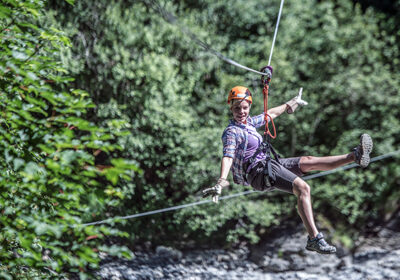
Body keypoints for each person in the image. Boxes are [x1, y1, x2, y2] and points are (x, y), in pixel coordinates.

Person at [202, 85, 373, 254]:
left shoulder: (249, 124)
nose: (241, 111)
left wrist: (291, 103)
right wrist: (222, 179)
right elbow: (228, 155)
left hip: (268, 165)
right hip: (259, 172)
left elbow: (271, 114)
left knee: (308, 161)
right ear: (231, 108)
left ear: (249, 107)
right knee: (303, 188)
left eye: (245, 107)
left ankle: (354, 156)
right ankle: (314, 238)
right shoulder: (231, 132)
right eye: (237, 108)